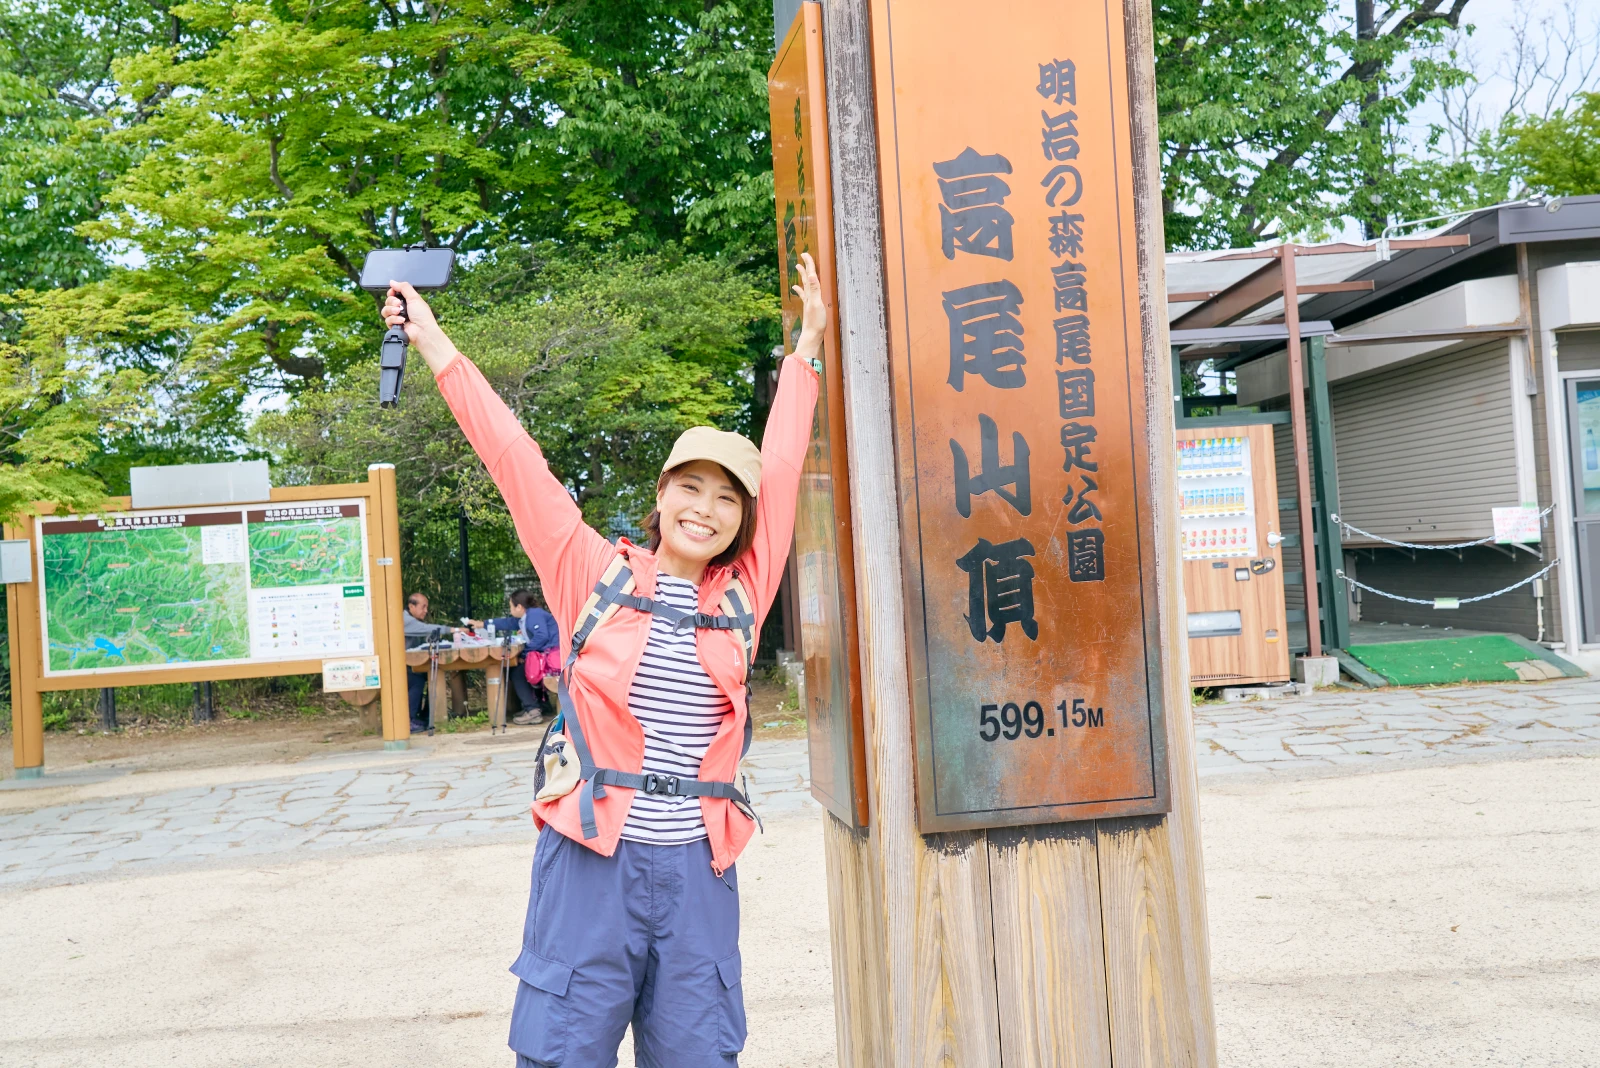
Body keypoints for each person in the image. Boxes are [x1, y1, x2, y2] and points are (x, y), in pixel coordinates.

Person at [382, 251, 827, 1068]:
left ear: (743, 519)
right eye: (690, 488)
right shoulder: (591, 569)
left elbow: (788, 469)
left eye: (728, 497)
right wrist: (437, 343)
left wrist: (805, 360)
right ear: (660, 497)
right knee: (561, 1054)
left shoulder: (742, 595)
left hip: (698, 865)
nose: (706, 508)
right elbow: (512, 458)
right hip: (591, 857)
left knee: (700, 1056)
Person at [476, 589, 561, 724]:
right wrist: (484, 624)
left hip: (553, 659)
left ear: (519, 607)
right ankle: (541, 706)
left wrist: (525, 652)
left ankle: (532, 710)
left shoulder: (534, 615)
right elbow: (507, 623)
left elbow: (541, 636)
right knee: (521, 666)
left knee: (517, 671)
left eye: (511, 606)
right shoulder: (526, 617)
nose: (510, 609)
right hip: (548, 656)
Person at [402, 592, 450, 732]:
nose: (426, 611)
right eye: (423, 607)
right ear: (411, 606)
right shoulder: (405, 619)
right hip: (398, 665)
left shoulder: (414, 620)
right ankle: (408, 720)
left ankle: (425, 715)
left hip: (410, 662)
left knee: (428, 676)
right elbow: (425, 629)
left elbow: (424, 634)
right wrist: (452, 630)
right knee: (416, 680)